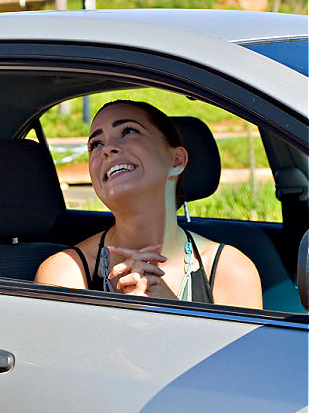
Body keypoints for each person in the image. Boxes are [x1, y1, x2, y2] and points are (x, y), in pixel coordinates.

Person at [35, 100, 262, 309]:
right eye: (95, 144)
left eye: (129, 131)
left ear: (176, 160)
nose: (107, 149)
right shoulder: (64, 274)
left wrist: (172, 312)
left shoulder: (230, 271)